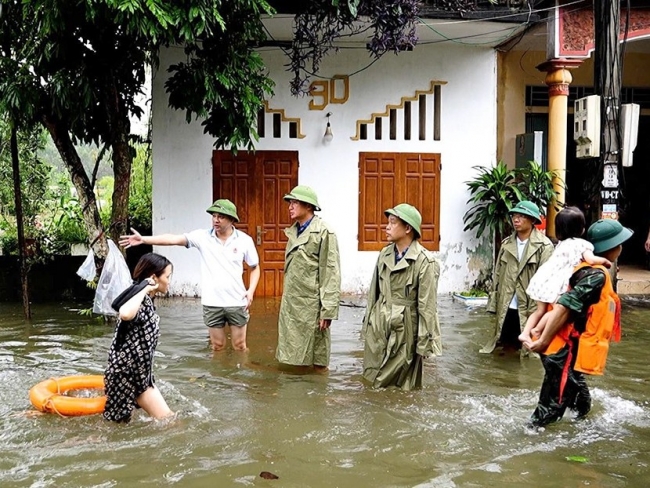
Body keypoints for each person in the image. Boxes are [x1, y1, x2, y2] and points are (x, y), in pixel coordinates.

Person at [524, 219, 633, 428]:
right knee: (551, 408)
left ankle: (570, 431)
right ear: (614, 246)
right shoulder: (594, 276)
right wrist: (543, 340)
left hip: (566, 349)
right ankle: (529, 438)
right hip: (559, 348)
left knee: (582, 404)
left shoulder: (587, 268)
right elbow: (564, 307)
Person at [120, 199, 260, 352]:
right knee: (217, 346)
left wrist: (251, 291)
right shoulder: (203, 237)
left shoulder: (245, 241)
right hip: (212, 302)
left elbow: (255, 267)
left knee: (240, 346)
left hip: (237, 301)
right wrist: (143, 240)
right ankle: (217, 376)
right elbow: (173, 239)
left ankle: (240, 375)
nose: (216, 220)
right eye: (214, 215)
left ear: (232, 219)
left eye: (221, 216)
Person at [362, 204, 442, 390]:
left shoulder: (425, 261)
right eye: (387, 222)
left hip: (406, 329)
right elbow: (374, 292)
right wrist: (369, 325)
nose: (387, 227)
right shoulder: (384, 254)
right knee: (372, 377)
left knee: (403, 387)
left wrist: (424, 345)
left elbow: (427, 307)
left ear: (408, 228)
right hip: (380, 324)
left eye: (392, 222)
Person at [519, 207, 612, 343]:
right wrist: (605, 261)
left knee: (539, 310)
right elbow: (591, 260)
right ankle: (538, 329)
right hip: (556, 283)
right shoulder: (582, 244)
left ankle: (525, 333)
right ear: (582, 229)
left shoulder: (561, 244)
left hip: (543, 279)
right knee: (558, 310)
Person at [276, 185, 341, 371]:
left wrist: (327, 310)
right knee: (294, 356)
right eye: (289, 202)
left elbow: (331, 272)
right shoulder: (294, 231)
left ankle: (318, 394)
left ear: (308, 206)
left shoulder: (324, 232)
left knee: (317, 357)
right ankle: (297, 394)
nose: (290, 206)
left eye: (294, 202)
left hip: (312, 305)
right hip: (292, 303)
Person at [103, 252, 174, 423]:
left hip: (141, 377)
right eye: (168, 276)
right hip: (126, 377)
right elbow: (125, 314)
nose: (170, 281)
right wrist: (146, 288)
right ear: (153, 278)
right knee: (111, 431)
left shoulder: (147, 302)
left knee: (168, 421)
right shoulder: (139, 300)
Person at [480, 201, 554, 354]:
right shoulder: (507, 244)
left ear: (532, 220)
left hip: (530, 307)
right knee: (506, 347)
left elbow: (547, 280)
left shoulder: (544, 247)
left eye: (521, 216)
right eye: (514, 216)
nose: (516, 219)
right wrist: (494, 302)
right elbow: (498, 274)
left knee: (530, 351)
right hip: (507, 305)